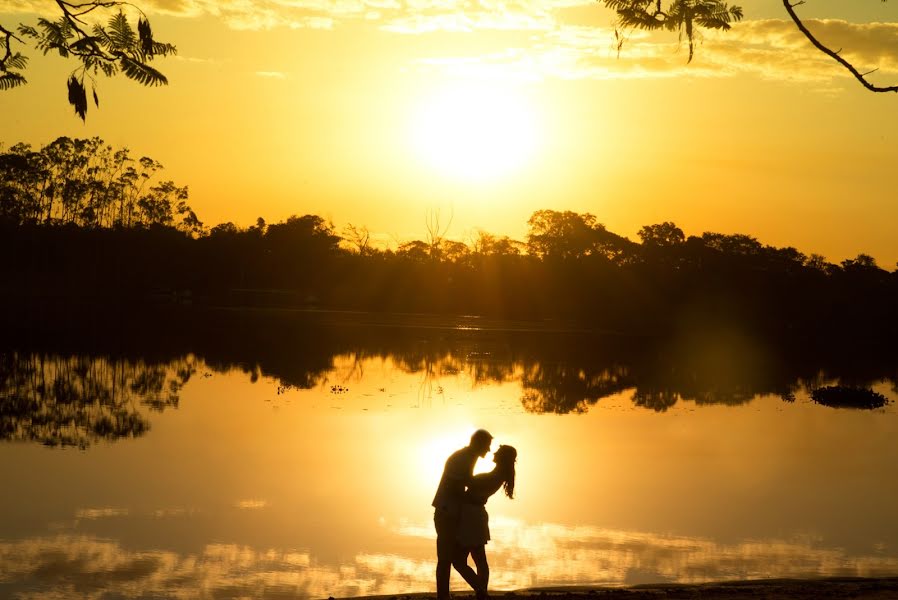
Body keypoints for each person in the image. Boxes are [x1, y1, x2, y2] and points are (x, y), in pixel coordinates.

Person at [432, 429, 493, 600]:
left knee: (453, 558)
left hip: (452, 512)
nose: (488, 450)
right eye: (487, 446)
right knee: (445, 558)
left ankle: (479, 590)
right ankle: (447, 596)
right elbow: (457, 486)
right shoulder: (463, 458)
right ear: (478, 444)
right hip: (446, 513)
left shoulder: (467, 457)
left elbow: (464, 484)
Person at [452, 444, 517, 600]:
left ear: (502, 457)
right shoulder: (496, 475)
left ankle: (481, 591)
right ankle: (482, 593)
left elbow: (469, 482)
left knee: (460, 561)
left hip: (472, 518)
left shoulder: (494, 477)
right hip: (475, 516)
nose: (493, 452)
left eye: (498, 452)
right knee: (479, 559)